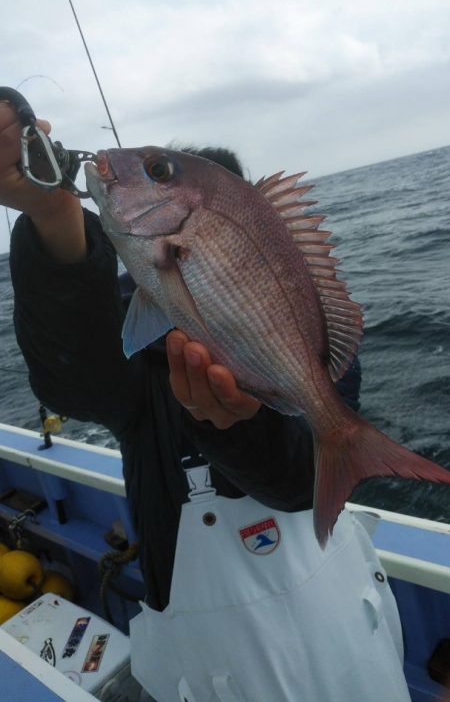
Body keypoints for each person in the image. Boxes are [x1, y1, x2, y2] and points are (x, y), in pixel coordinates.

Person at [0, 98, 412, 702]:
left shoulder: (310, 341)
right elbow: (75, 381)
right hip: (205, 664)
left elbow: (298, 482)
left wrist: (243, 425)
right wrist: (52, 210)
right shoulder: (134, 332)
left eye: (158, 172)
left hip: (350, 634)